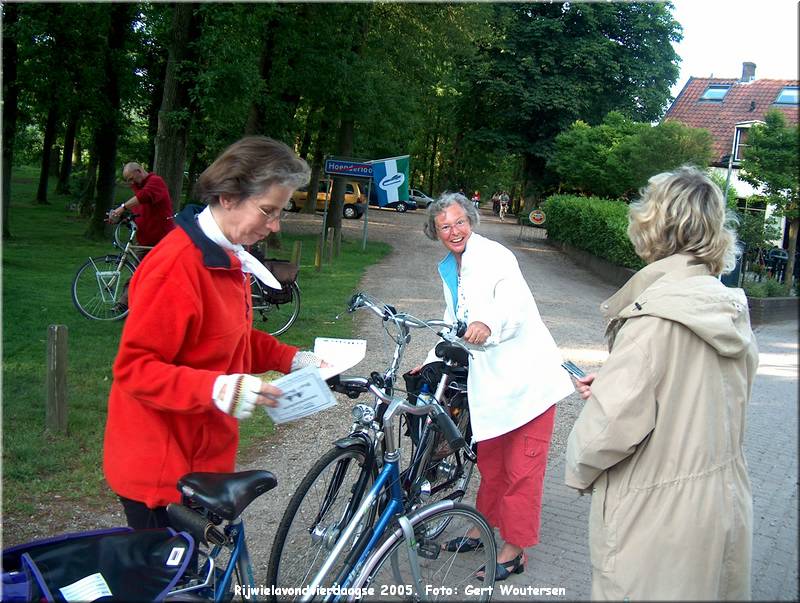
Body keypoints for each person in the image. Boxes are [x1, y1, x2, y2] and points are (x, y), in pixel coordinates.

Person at [103, 136, 326, 530]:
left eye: (281, 212)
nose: (274, 226)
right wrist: (218, 389)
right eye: (268, 211)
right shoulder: (176, 268)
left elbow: (230, 338)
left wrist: (291, 358)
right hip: (163, 473)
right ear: (228, 197)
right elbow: (134, 369)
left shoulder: (225, 256)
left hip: (203, 461)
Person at [565, 166, 758, 600]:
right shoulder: (731, 309)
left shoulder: (653, 319)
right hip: (724, 503)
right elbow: (709, 395)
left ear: (654, 225)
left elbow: (608, 432)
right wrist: (617, 381)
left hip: (657, 518)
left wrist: (578, 469)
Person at [417, 192, 573, 581]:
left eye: (459, 222)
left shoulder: (496, 257)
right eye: (445, 226)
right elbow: (453, 320)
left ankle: (515, 550)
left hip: (529, 384)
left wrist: (488, 324)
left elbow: (513, 306)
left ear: (471, 220)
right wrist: (433, 357)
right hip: (493, 385)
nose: (454, 231)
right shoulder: (449, 268)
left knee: (523, 469)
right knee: (492, 465)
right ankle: (481, 528)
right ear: (435, 232)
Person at [110, 162, 175, 247]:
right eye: (129, 180)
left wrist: (122, 208)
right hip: (144, 241)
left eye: (131, 179)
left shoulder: (156, 181)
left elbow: (144, 195)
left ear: (138, 171)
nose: (132, 183)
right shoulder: (139, 187)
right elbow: (139, 213)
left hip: (160, 241)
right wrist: (119, 218)